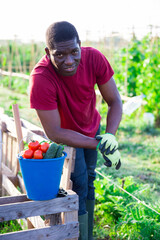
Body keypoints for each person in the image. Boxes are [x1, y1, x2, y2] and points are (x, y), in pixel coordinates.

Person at [29, 21, 122, 240]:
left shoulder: (94, 58)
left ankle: (87, 234)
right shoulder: (41, 78)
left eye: (74, 51)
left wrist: (109, 137)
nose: (69, 60)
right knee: (78, 183)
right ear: (48, 53)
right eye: (59, 55)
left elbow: (114, 101)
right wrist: (100, 144)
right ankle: (78, 235)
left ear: (80, 44)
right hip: (66, 135)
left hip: (92, 127)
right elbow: (54, 132)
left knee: (90, 178)